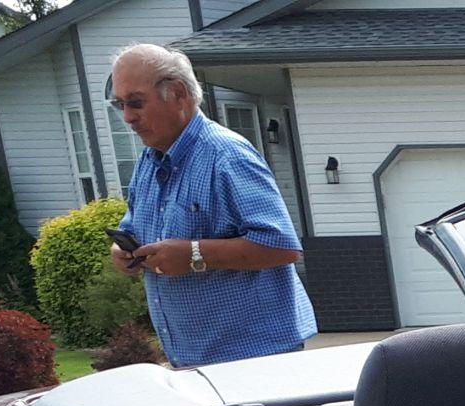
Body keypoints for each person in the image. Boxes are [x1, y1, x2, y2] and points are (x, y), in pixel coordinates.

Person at [107, 44, 316, 369]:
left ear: (177, 93)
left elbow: (282, 247)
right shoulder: (148, 162)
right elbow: (134, 228)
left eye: (135, 102)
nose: (127, 117)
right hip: (189, 359)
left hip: (255, 358)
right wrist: (123, 253)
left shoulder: (227, 156)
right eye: (119, 104)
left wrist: (193, 254)